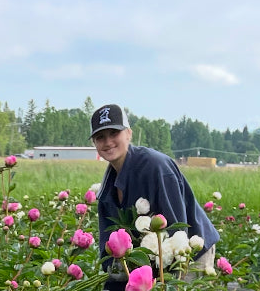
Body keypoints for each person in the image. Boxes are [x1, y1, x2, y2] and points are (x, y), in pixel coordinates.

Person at [90, 104, 219, 279]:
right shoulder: (107, 188)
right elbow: (108, 246)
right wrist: (112, 280)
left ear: (129, 133)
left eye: (114, 133)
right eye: (100, 137)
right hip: (153, 260)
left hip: (191, 253)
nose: (108, 142)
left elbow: (178, 231)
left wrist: (167, 283)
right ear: (94, 143)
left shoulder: (156, 168)